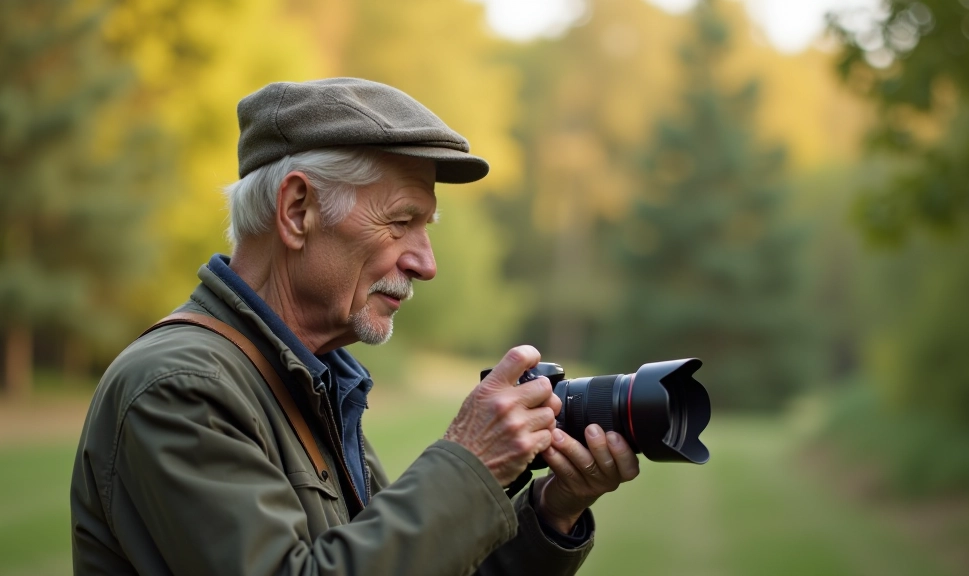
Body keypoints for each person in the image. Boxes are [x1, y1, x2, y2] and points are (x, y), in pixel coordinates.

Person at [70, 78, 640, 575]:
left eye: (426, 226)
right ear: (297, 211)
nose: (426, 262)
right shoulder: (178, 387)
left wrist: (551, 514)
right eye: (401, 222)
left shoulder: (311, 381)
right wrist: (470, 463)